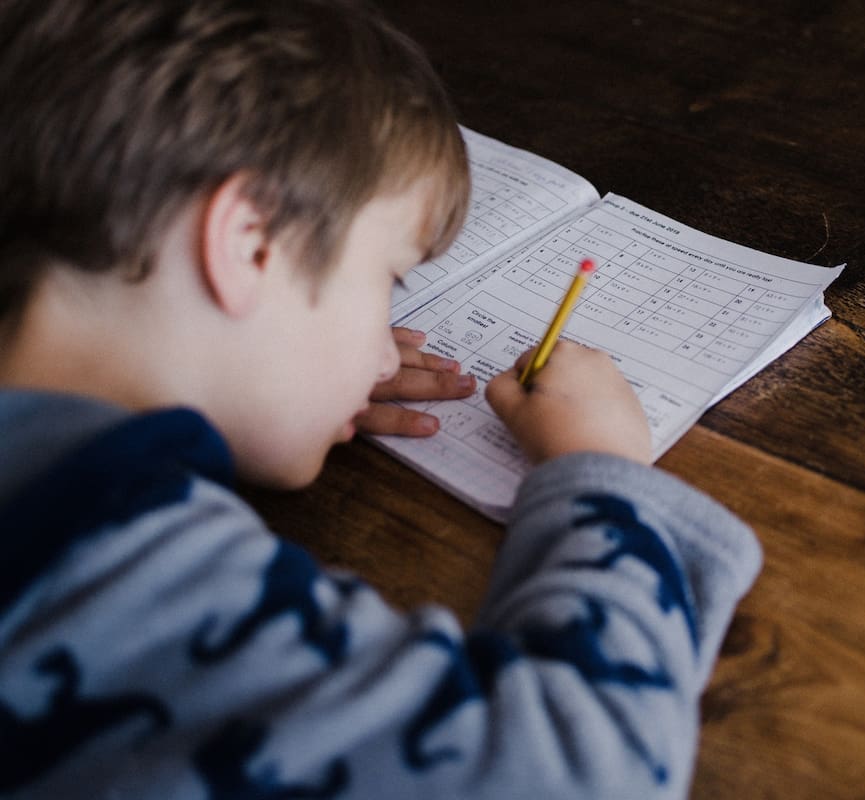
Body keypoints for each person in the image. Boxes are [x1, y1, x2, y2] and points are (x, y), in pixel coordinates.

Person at [0, 1, 762, 798]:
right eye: (388, 281)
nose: (381, 349)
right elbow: (591, 773)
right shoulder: (106, 569)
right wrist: (601, 469)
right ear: (251, 245)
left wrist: (254, 385)